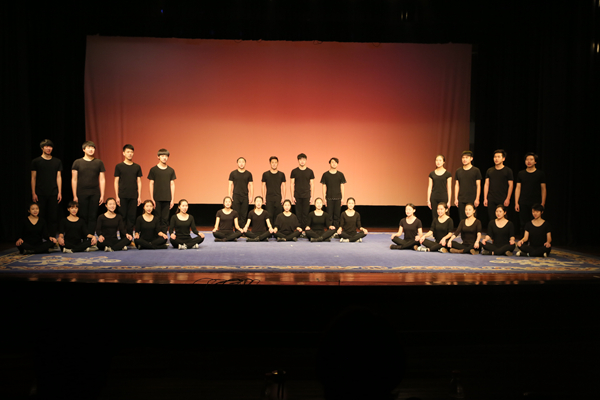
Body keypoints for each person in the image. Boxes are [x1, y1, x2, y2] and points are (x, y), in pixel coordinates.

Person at [71, 141, 106, 234]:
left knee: (93, 216)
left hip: (95, 193)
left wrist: (102, 195)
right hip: (81, 192)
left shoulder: (99, 162)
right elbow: (74, 179)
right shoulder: (77, 162)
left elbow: (102, 179)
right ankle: (83, 235)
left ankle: (90, 236)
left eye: (93, 148)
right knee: (83, 215)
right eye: (88, 147)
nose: (91, 149)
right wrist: (75, 195)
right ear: (83, 149)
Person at [31, 139, 62, 237]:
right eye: (46, 146)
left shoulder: (57, 161)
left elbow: (58, 177)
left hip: (53, 192)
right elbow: (33, 177)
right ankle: (40, 237)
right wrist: (33, 193)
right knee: (40, 216)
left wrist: (59, 192)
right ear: (42, 148)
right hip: (40, 192)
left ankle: (52, 237)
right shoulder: (36, 161)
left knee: (53, 217)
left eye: (50, 146)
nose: (49, 148)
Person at [515, 153, 547, 237]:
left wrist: (543, 203)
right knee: (523, 223)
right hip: (523, 201)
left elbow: (543, 189)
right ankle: (524, 242)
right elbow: (518, 188)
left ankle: (534, 241)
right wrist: (516, 202)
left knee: (535, 222)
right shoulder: (521, 173)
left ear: (535, 161)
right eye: (527, 159)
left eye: (531, 159)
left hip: (535, 202)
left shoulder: (540, 174)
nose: (529, 161)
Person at [114, 144, 142, 236]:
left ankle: (129, 237)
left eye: (131, 152)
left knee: (131, 217)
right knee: (122, 217)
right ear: (123, 153)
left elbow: (139, 182)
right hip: (122, 195)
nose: (130, 154)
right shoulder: (119, 166)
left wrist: (139, 196)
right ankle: (123, 237)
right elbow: (116, 181)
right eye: (128, 152)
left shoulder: (137, 167)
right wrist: (117, 196)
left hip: (133, 195)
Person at [148, 148, 176, 234]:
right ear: (158, 157)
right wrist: (152, 198)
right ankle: (157, 235)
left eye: (166, 156)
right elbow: (151, 183)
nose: (164, 158)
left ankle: (163, 235)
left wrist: (172, 199)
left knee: (165, 219)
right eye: (162, 156)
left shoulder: (170, 170)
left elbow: (172, 184)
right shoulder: (154, 170)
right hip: (157, 198)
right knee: (157, 218)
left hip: (167, 198)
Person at [483, 149, 514, 224]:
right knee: (492, 219)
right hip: (491, 198)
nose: (496, 159)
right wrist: (485, 198)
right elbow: (486, 184)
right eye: (495, 157)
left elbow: (511, 185)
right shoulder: (490, 170)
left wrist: (508, 198)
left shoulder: (508, 171)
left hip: (503, 198)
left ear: (503, 158)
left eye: (498, 157)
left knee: (503, 219)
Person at [454, 150, 482, 221]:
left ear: (471, 158)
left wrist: (477, 198)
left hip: (472, 198)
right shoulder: (458, 171)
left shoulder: (476, 170)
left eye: (466, 157)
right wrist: (456, 198)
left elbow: (478, 185)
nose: (464, 159)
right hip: (461, 198)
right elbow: (457, 185)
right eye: (463, 157)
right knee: (462, 219)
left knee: (472, 218)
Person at [290, 153, 314, 230]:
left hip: (307, 195)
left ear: (306, 160)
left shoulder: (310, 171)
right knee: (298, 214)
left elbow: (312, 184)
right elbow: (292, 184)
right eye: (300, 159)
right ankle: (299, 229)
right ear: (298, 160)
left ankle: (304, 230)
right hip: (297, 195)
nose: (302, 161)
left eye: (304, 159)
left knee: (305, 213)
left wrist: (312, 196)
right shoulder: (294, 171)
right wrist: (292, 196)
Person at [320, 157, 346, 229]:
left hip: (338, 198)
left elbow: (342, 186)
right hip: (329, 198)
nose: (334, 164)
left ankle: (336, 230)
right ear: (330, 163)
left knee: (337, 216)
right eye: (332, 162)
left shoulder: (340, 174)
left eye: (335, 162)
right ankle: (330, 230)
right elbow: (323, 186)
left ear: (337, 164)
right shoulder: (325, 174)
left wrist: (342, 198)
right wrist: (324, 198)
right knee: (329, 215)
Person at [228, 157, 253, 228]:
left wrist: (251, 196)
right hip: (236, 196)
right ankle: (237, 230)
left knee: (244, 214)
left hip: (245, 196)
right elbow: (230, 185)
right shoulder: (233, 173)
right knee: (236, 213)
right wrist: (229, 196)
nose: (241, 163)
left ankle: (243, 230)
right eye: (240, 162)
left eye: (243, 162)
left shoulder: (248, 174)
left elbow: (251, 185)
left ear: (245, 163)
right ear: (237, 163)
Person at [426, 155, 452, 223]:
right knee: (435, 215)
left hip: (443, 196)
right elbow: (429, 187)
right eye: (437, 160)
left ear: (444, 162)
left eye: (440, 160)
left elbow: (449, 188)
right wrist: (428, 200)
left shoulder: (448, 174)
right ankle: (435, 228)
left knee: (445, 215)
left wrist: (449, 200)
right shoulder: (432, 174)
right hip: (434, 197)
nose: (438, 162)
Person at [262, 156, 286, 223]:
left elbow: (284, 186)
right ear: (270, 163)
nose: (274, 164)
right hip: (269, 197)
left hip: (278, 197)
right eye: (272, 162)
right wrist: (263, 197)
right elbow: (263, 186)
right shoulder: (265, 174)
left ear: (278, 163)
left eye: (275, 162)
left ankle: (277, 228)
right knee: (269, 215)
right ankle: (270, 228)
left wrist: (283, 197)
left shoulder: (281, 174)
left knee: (278, 215)